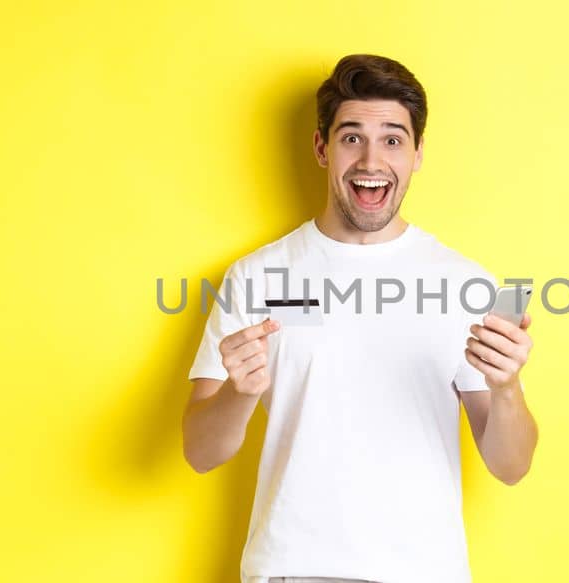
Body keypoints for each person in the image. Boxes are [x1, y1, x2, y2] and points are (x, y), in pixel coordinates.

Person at [182, 54, 539, 583]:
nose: (371, 159)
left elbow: (511, 466)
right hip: (292, 569)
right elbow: (200, 453)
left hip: (426, 572)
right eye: (352, 137)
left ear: (417, 154)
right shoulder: (256, 275)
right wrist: (240, 392)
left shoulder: (467, 282)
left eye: (393, 139)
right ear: (322, 148)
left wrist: (506, 388)